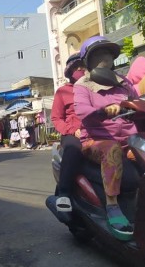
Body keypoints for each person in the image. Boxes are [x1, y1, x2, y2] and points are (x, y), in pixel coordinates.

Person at [74, 36, 138, 240]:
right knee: (111, 148)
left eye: (108, 53)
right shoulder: (82, 85)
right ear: (88, 60)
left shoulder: (124, 82)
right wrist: (103, 110)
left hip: (130, 140)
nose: (105, 58)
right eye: (99, 54)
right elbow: (82, 111)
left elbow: (138, 102)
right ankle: (112, 206)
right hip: (96, 141)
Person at [51, 52, 85, 212]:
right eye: (77, 68)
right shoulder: (63, 91)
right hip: (73, 134)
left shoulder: (96, 88)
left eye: (83, 67)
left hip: (96, 131)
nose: (81, 70)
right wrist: (72, 130)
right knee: (73, 150)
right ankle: (64, 192)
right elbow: (56, 118)